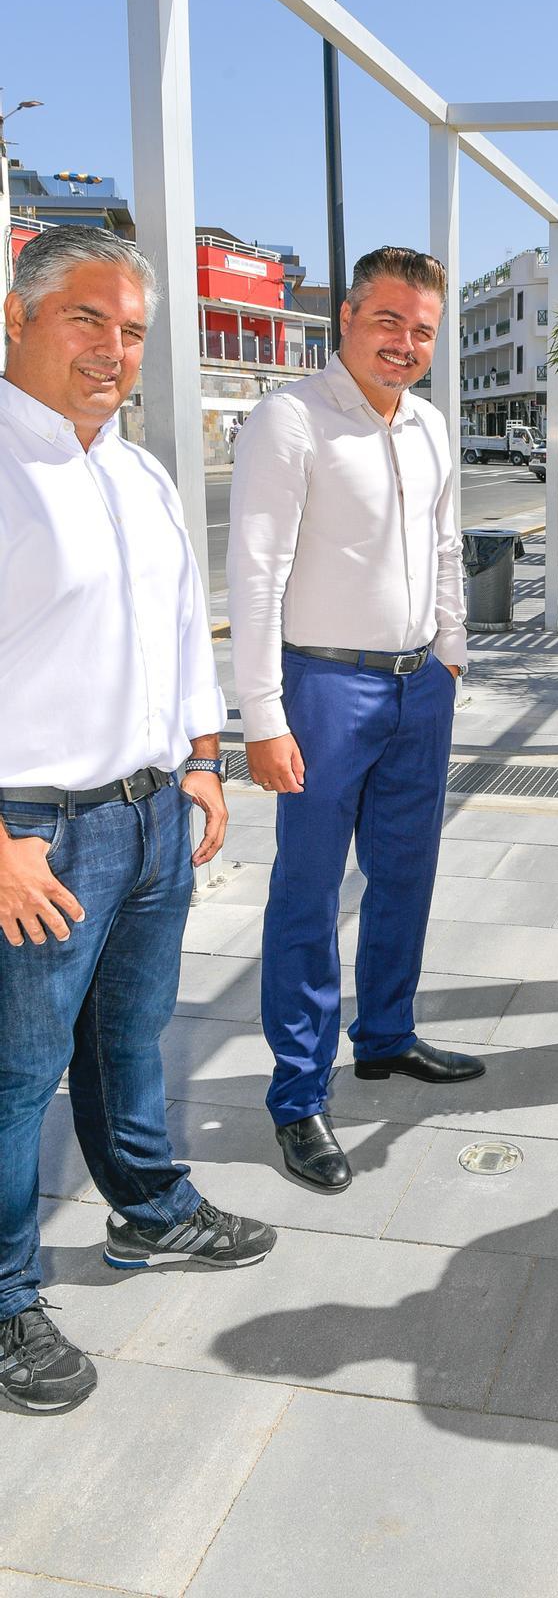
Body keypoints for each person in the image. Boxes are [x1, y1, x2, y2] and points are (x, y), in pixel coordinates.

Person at [0, 226, 276, 1417]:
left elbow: (177, 633)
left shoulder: (138, 471)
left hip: (153, 814)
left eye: (132, 332)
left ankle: (150, 1211)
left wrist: (204, 762)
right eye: (87, 319)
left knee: (129, 1039)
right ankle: (5, 1297)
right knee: (15, 1079)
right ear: (18, 317)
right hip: (34, 834)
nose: (113, 350)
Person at [228, 245, 481, 1196]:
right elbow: (254, 574)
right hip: (325, 688)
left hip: (421, 686)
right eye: (389, 321)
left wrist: (452, 653)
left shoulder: (431, 427)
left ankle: (385, 1035)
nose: (406, 343)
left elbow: (446, 546)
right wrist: (262, 715)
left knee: (406, 872)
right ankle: (298, 1096)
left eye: (422, 328)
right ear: (346, 318)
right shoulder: (290, 420)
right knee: (306, 890)